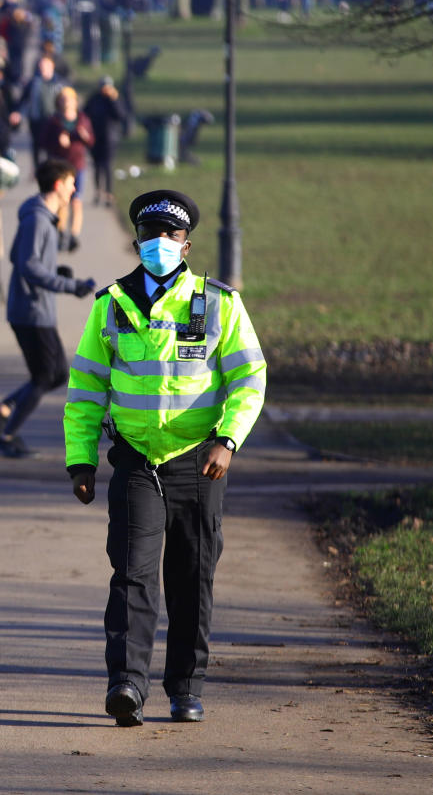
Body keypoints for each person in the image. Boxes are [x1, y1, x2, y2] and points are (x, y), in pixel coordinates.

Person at [63, 190, 266, 727]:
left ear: (187, 243)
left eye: (170, 236)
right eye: (150, 235)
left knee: (191, 578)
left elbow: (249, 377)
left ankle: (185, 687)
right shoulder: (110, 305)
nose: (160, 245)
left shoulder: (218, 303)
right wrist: (80, 460)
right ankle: (127, 683)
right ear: (136, 242)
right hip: (135, 463)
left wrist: (229, 440)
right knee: (131, 575)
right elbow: (86, 387)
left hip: (200, 463)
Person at [0, 159, 95, 459]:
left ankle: (1, 409)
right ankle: (4, 436)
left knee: (56, 374)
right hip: (31, 311)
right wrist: (69, 285)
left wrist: (56, 270)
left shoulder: (40, 217)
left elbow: (22, 256)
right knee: (46, 375)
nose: (73, 187)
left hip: (34, 310)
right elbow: (27, 264)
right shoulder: (37, 220)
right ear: (58, 185)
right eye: (71, 182)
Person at [38, 86, 93, 251]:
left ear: (75, 101)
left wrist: (84, 137)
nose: (67, 102)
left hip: (78, 165)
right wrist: (58, 141)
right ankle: (61, 233)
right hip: (60, 168)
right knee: (63, 202)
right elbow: (43, 142)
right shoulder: (54, 121)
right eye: (63, 99)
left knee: (76, 201)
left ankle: (74, 235)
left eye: (69, 99)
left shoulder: (82, 119)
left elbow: (91, 141)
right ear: (58, 102)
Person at [83, 76, 128, 207]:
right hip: (95, 136)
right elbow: (85, 114)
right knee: (96, 165)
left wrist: (113, 100)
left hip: (110, 138)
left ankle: (109, 193)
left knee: (107, 166)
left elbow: (121, 115)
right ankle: (98, 191)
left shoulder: (115, 99)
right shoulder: (94, 98)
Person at [15, 54, 65, 170]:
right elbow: (24, 99)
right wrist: (18, 113)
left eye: (46, 66)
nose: (43, 69)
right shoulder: (33, 82)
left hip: (53, 120)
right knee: (37, 145)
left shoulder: (59, 84)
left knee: (51, 145)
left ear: (52, 66)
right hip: (36, 119)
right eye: (41, 66)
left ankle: (50, 168)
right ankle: (37, 169)